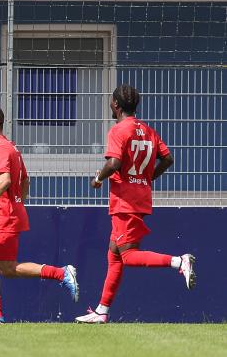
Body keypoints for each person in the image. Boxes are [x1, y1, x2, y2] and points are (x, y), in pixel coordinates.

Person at [76, 84, 195, 324]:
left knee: (128, 256)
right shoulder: (148, 130)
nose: (111, 105)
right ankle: (102, 311)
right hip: (139, 196)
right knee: (114, 254)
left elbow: (114, 163)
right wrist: (148, 177)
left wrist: (98, 178)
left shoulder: (119, 130)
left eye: (111, 102)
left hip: (124, 201)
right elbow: (168, 158)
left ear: (116, 105)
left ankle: (178, 261)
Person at [0, 105, 78, 324]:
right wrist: (17, 203)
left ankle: (61, 273)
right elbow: (25, 180)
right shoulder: (11, 147)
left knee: (7, 267)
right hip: (6, 213)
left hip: (2, 216)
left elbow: (5, 180)